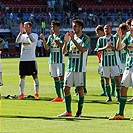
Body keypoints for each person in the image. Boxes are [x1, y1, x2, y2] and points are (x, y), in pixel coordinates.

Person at [58, 19, 90, 117]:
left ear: (80, 27)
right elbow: (64, 52)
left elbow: (83, 50)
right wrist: (66, 42)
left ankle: (79, 111)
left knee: (80, 89)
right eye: (73, 26)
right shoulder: (71, 39)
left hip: (80, 68)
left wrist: (73, 40)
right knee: (65, 88)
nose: (73, 28)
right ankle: (68, 111)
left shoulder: (86, 38)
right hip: (70, 67)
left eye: (75, 26)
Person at [109, 19, 133, 121]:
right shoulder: (127, 36)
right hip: (128, 66)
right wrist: (119, 37)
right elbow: (119, 48)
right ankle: (120, 114)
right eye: (132, 25)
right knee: (123, 89)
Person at [95, 24, 121, 102]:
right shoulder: (101, 39)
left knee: (117, 79)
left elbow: (117, 49)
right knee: (106, 79)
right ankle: (109, 97)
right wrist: (105, 47)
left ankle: (118, 96)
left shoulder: (115, 38)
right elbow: (97, 49)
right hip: (105, 63)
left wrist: (111, 47)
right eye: (105, 28)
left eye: (108, 28)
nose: (106, 30)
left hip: (114, 63)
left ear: (111, 29)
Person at [41, 20, 64, 102]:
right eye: (51, 27)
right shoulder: (50, 37)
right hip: (52, 60)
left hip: (60, 60)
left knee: (61, 78)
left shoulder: (62, 36)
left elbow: (62, 46)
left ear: (58, 27)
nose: (52, 28)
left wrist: (55, 40)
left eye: (54, 26)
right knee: (55, 78)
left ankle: (64, 96)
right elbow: (47, 47)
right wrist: (44, 40)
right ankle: (59, 96)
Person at [16, 22, 39, 99]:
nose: (25, 28)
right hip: (23, 59)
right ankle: (21, 93)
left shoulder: (34, 35)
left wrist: (28, 34)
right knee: (22, 76)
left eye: (26, 26)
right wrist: (20, 33)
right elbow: (17, 40)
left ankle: (36, 93)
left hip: (31, 59)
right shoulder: (23, 36)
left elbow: (32, 41)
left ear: (30, 27)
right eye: (24, 27)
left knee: (34, 76)